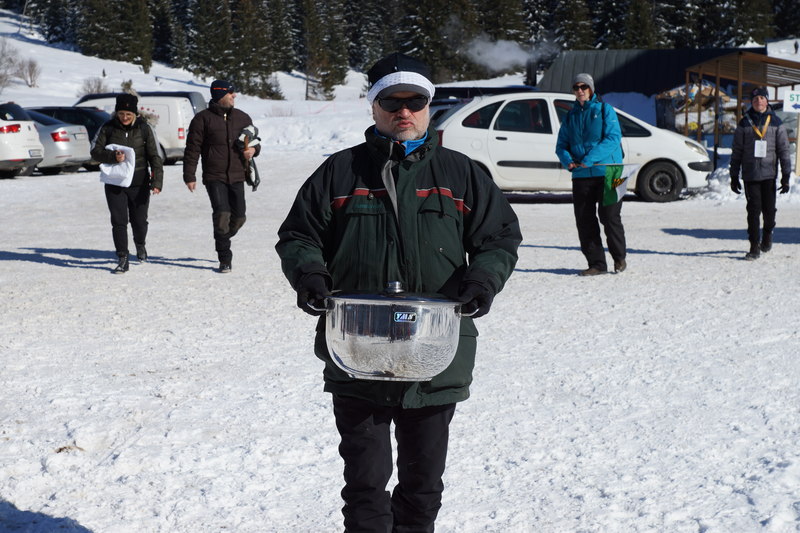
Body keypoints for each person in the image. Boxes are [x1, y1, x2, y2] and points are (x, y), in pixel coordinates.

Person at [275, 52, 522, 531]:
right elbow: (299, 236)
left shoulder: (460, 173)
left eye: (415, 102)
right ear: (374, 107)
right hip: (356, 351)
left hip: (435, 353)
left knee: (422, 486)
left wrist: (482, 280)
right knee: (365, 486)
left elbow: (498, 238)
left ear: (429, 107)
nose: (403, 111)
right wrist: (309, 276)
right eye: (391, 101)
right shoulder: (340, 172)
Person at [183, 80, 259, 273]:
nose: (234, 96)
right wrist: (189, 175)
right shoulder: (202, 119)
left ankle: (222, 236)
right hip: (214, 176)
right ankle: (224, 257)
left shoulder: (242, 117)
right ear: (220, 95)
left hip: (237, 174)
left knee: (239, 217)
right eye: (230, 93)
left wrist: (253, 150)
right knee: (222, 214)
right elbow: (192, 150)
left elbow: (255, 140)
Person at [556, 73, 626, 276]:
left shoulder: (605, 109)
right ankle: (597, 264)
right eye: (576, 87)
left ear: (591, 89)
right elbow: (561, 145)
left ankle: (619, 257)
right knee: (584, 220)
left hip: (610, 171)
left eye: (583, 87)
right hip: (581, 174)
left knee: (610, 216)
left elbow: (613, 138)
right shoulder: (570, 115)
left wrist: (589, 159)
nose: (580, 90)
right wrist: (567, 160)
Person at [92, 93, 164, 274]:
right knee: (118, 221)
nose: (124, 117)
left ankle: (140, 244)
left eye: (128, 114)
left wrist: (157, 181)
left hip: (139, 182)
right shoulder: (107, 128)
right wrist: (112, 156)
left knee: (139, 221)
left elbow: (155, 156)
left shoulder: (144, 128)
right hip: (115, 182)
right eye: (121, 113)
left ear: (135, 114)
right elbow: (95, 151)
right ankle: (122, 257)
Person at [729, 87, 792, 260]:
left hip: (769, 174)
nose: (759, 102)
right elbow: (737, 151)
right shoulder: (744, 123)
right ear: (752, 102)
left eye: (762, 98)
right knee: (753, 210)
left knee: (769, 211)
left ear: (767, 100)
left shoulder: (776, 122)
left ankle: (768, 234)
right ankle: (754, 246)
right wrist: (734, 175)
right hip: (750, 174)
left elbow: (784, 150)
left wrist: (786, 176)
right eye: (755, 99)